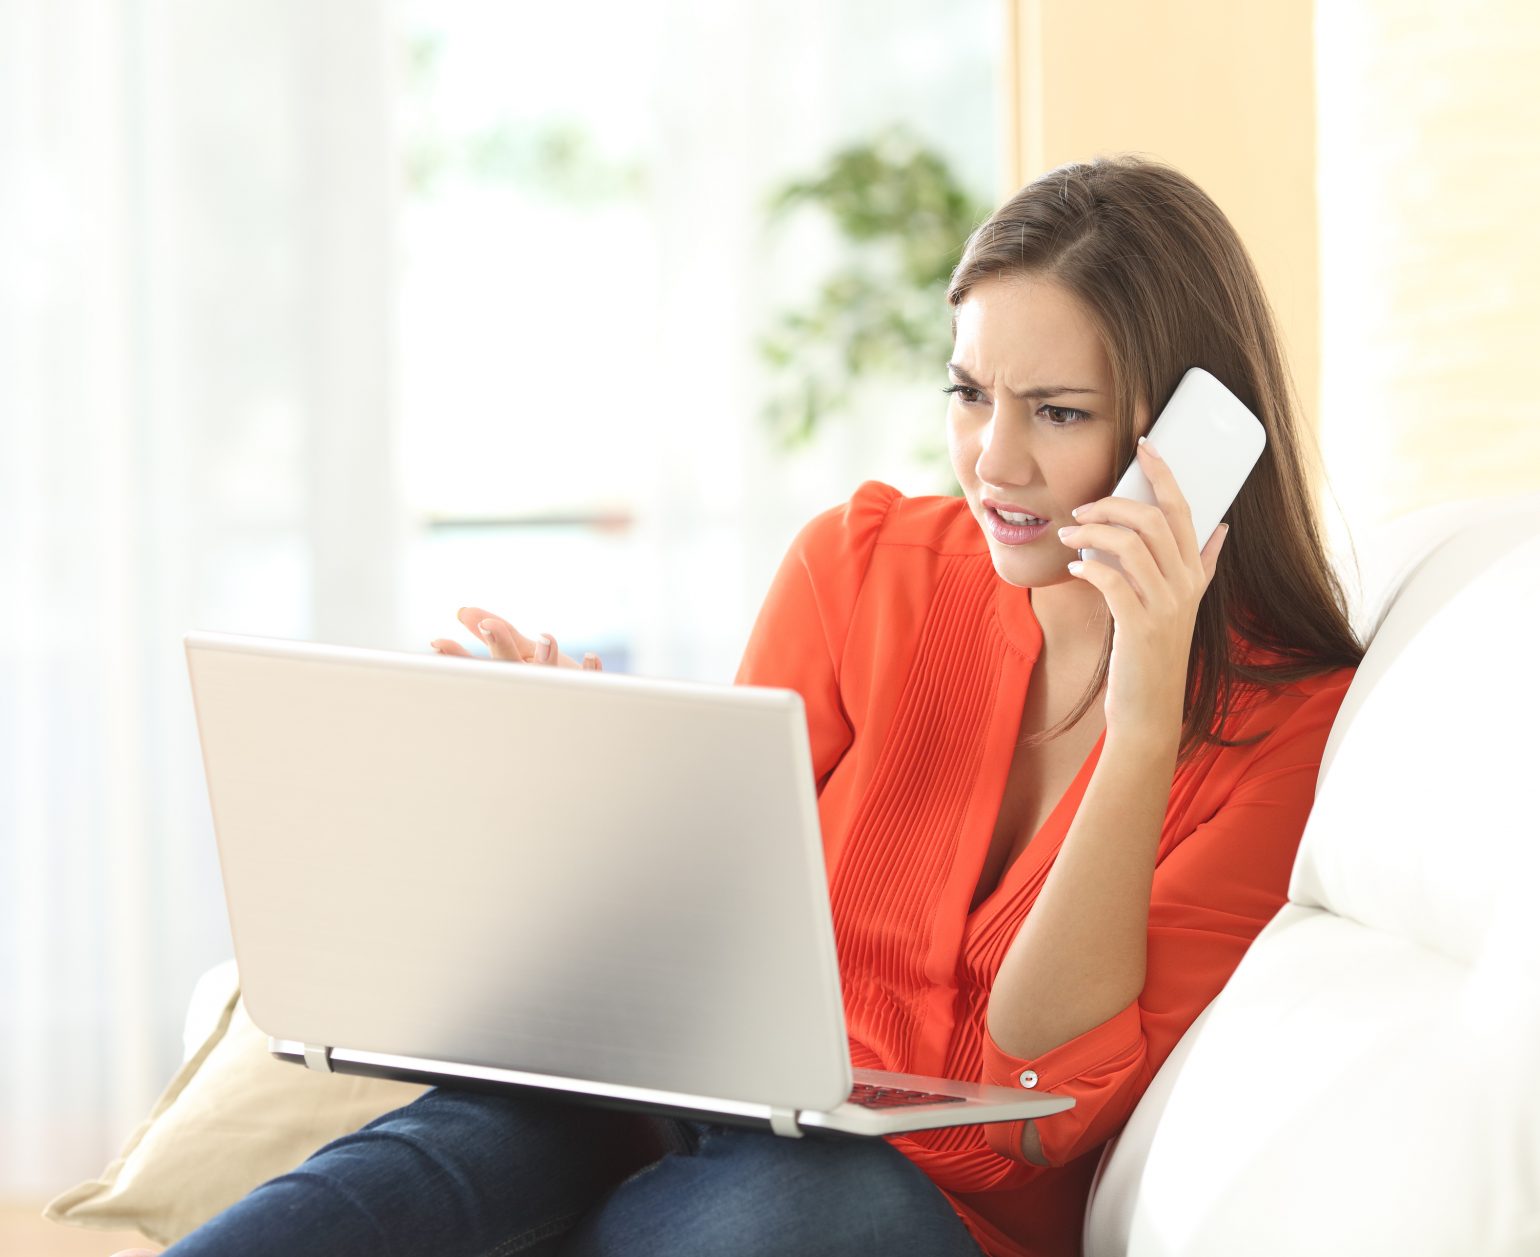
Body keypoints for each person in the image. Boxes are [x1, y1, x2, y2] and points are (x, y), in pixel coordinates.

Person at [117, 154, 1362, 1257]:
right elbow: (689, 925)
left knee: (821, 1214)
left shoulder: (1283, 726)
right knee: (465, 1143)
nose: (995, 462)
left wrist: (1142, 728)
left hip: (902, 1212)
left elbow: (1043, 1092)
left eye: (1058, 414)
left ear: (1190, 439)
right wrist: (574, 778)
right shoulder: (862, 565)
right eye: (970, 393)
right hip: (688, 1115)